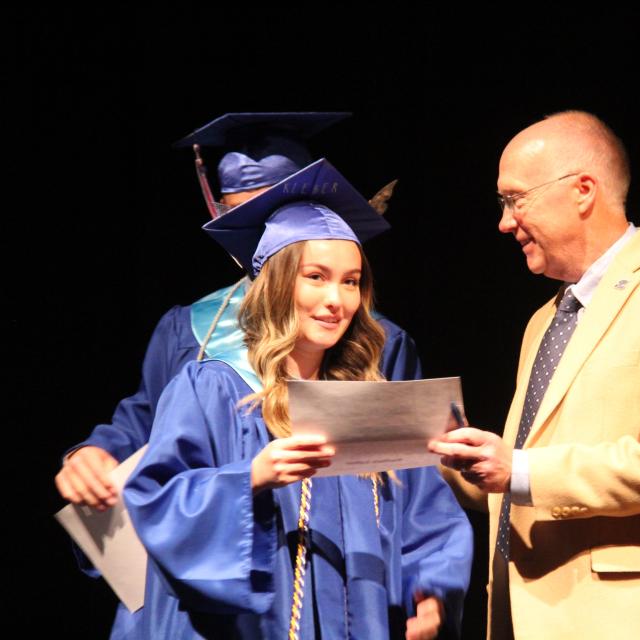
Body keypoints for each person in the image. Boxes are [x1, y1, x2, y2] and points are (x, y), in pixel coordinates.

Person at [429, 111, 640, 639]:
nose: (505, 222)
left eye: (515, 199)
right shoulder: (545, 320)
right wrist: (462, 464)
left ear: (583, 190)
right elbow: (524, 482)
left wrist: (517, 470)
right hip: (529, 618)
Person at [119, 157, 472, 639]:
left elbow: (427, 515)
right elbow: (155, 501)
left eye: (351, 281)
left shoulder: (373, 404)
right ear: (279, 283)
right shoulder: (211, 388)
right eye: (316, 277)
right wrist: (253, 477)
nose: (337, 300)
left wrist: (431, 590)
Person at [55, 113, 420, 513]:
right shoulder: (189, 329)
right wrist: (95, 453)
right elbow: (146, 425)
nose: (256, 232)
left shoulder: (373, 341)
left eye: (272, 213)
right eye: (237, 215)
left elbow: (411, 488)